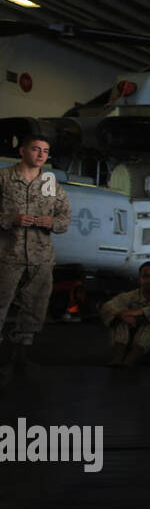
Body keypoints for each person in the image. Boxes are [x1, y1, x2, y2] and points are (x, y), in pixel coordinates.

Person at [0, 135, 70, 376]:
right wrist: (11, 220)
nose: (41, 155)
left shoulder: (49, 182)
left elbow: (65, 216)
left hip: (41, 257)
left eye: (46, 151)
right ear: (22, 151)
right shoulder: (4, 178)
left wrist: (52, 222)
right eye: (36, 149)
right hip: (8, 254)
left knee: (34, 307)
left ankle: (21, 355)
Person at [101, 261, 150, 366]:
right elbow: (108, 306)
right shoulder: (131, 296)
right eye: (146, 276)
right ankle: (118, 358)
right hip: (131, 341)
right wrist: (121, 315)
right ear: (140, 279)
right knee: (119, 319)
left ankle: (130, 360)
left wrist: (136, 315)